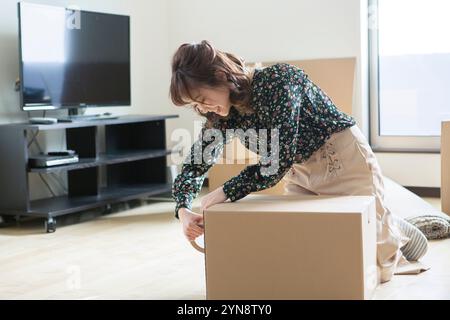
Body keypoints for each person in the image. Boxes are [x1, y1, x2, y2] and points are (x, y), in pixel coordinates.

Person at [169, 40, 428, 283]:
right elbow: (195, 164)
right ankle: (383, 221)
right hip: (301, 173)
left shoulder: (278, 80)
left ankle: (390, 228)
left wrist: (225, 191)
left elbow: (278, 158)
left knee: (377, 272)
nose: (203, 109)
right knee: (308, 258)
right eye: (196, 105)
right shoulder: (222, 117)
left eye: (203, 99)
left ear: (222, 77)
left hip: (343, 159)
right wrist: (183, 211)